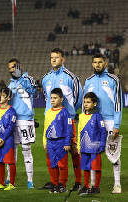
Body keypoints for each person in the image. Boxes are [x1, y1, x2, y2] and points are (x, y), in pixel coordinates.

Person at [41, 48, 82, 191]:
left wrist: (69, 113)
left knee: (73, 151)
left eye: (56, 57)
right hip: (50, 121)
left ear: (63, 59)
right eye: (51, 57)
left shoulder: (72, 78)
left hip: (67, 120)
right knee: (50, 151)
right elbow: (47, 99)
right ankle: (55, 182)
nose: (53, 60)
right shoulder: (45, 78)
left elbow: (78, 99)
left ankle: (78, 182)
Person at [83, 53, 123, 193]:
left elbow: (118, 103)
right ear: (92, 64)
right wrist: (85, 120)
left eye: (100, 62)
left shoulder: (114, 80)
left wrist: (116, 124)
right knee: (93, 152)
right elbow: (85, 103)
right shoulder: (88, 81)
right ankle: (93, 184)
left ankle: (117, 184)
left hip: (111, 121)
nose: (97, 65)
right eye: (95, 62)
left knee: (114, 153)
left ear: (105, 63)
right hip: (93, 121)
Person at [7, 58, 37, 189]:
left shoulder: (28, 79)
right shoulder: (10, 84)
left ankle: (30, 180)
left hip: (25, 120)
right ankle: (9, 178)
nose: (11, 70)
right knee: (12, 151)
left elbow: (34, 92)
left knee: (26, 150)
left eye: (13, 67)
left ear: (19, 66)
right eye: (10, 68)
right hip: (13, 120)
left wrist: (23, 81)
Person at [77, 92, 107, 196]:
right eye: (84, 102)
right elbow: (79, 131)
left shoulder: (98, 116)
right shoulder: (81, 116)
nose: (85, 104)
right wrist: (78, 146)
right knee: (85, 167)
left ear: (94, 104)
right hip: (84, 147)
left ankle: (96, 187)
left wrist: (102, 145)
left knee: (96, 167)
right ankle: (86, 186)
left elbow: (103, 131)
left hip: (95, 147)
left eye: (88, 102)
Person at [43, 88, 72, 193]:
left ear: (61, 99)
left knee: (62, 165)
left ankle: (62, 185)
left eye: (55, 98)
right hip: (50, 142)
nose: (52, 100)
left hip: (61, 142)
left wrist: (67, 142)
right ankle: (55, 184)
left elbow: (69, 129)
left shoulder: (65, 112)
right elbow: (45, 128)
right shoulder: (48, 112)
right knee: (53, 164)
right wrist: (44, 141)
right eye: (51, 98)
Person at [0, 87, 17, 191]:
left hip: (8, 140)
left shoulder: (12, 111)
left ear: (8, 98)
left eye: (2, 96)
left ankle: (11, 184)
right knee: (0, 161)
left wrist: (3, 139)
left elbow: (11, 127)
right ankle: (1, 183)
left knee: (10, 161)